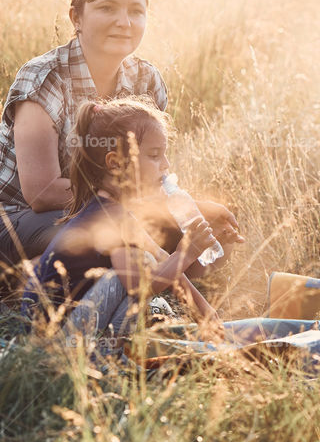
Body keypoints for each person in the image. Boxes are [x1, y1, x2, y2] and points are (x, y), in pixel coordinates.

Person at [0, 0, 239, 289]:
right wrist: (136, 209)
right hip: (16, 220)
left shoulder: (146, 80)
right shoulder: (43, 77)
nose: (124, 21)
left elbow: (154, 174)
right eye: (107, 8)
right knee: (102, 228)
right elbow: (43, 193)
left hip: (107, 210)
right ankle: (29, 290)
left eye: (136, 11)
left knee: (211, 230)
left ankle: (143, 294)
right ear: (76, 17)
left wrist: (190, 208)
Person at [22, 97, 222, 337]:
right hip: (51, 340)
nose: (166, 165)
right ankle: (100, 359)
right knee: (125, 280)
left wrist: (207, 313)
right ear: (116, 164)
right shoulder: (109, 217)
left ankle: (113, 352)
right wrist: (186, 254)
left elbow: (162, 259)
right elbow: (138, 287)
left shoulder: (117, 212)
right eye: (155, 155)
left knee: (150, 260)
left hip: (68, 327)